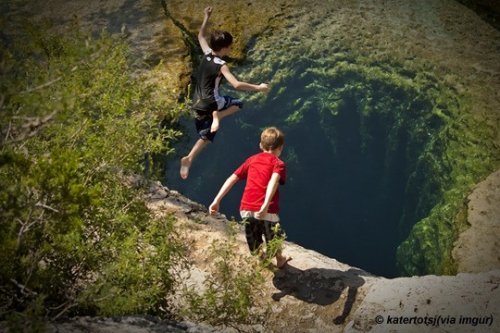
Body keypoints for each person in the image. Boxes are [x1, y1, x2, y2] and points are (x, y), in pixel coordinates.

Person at [180, 6, 269, 179]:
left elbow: (200, 36)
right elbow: (236, 85)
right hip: (212, 102)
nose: (230, 50)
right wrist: (258, 87)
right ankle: (218, 116)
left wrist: (206, 16)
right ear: (224, 48)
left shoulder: (206, 54)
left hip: (196, 103)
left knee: (206, 135)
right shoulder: (222, 65)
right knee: (238, 104)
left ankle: (189, 158)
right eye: (229, 47)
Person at [209, 127, 292, 268]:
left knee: (254, 240)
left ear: (261, 145)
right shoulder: (279, 164)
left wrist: (216, 200)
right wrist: (265, 204)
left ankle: (262, 260)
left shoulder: (251, 160)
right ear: (281, 148)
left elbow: (232, 178)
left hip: (246, 208)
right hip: (267, 211)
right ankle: (279, 259)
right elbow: (274, 181)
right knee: (274, 236)